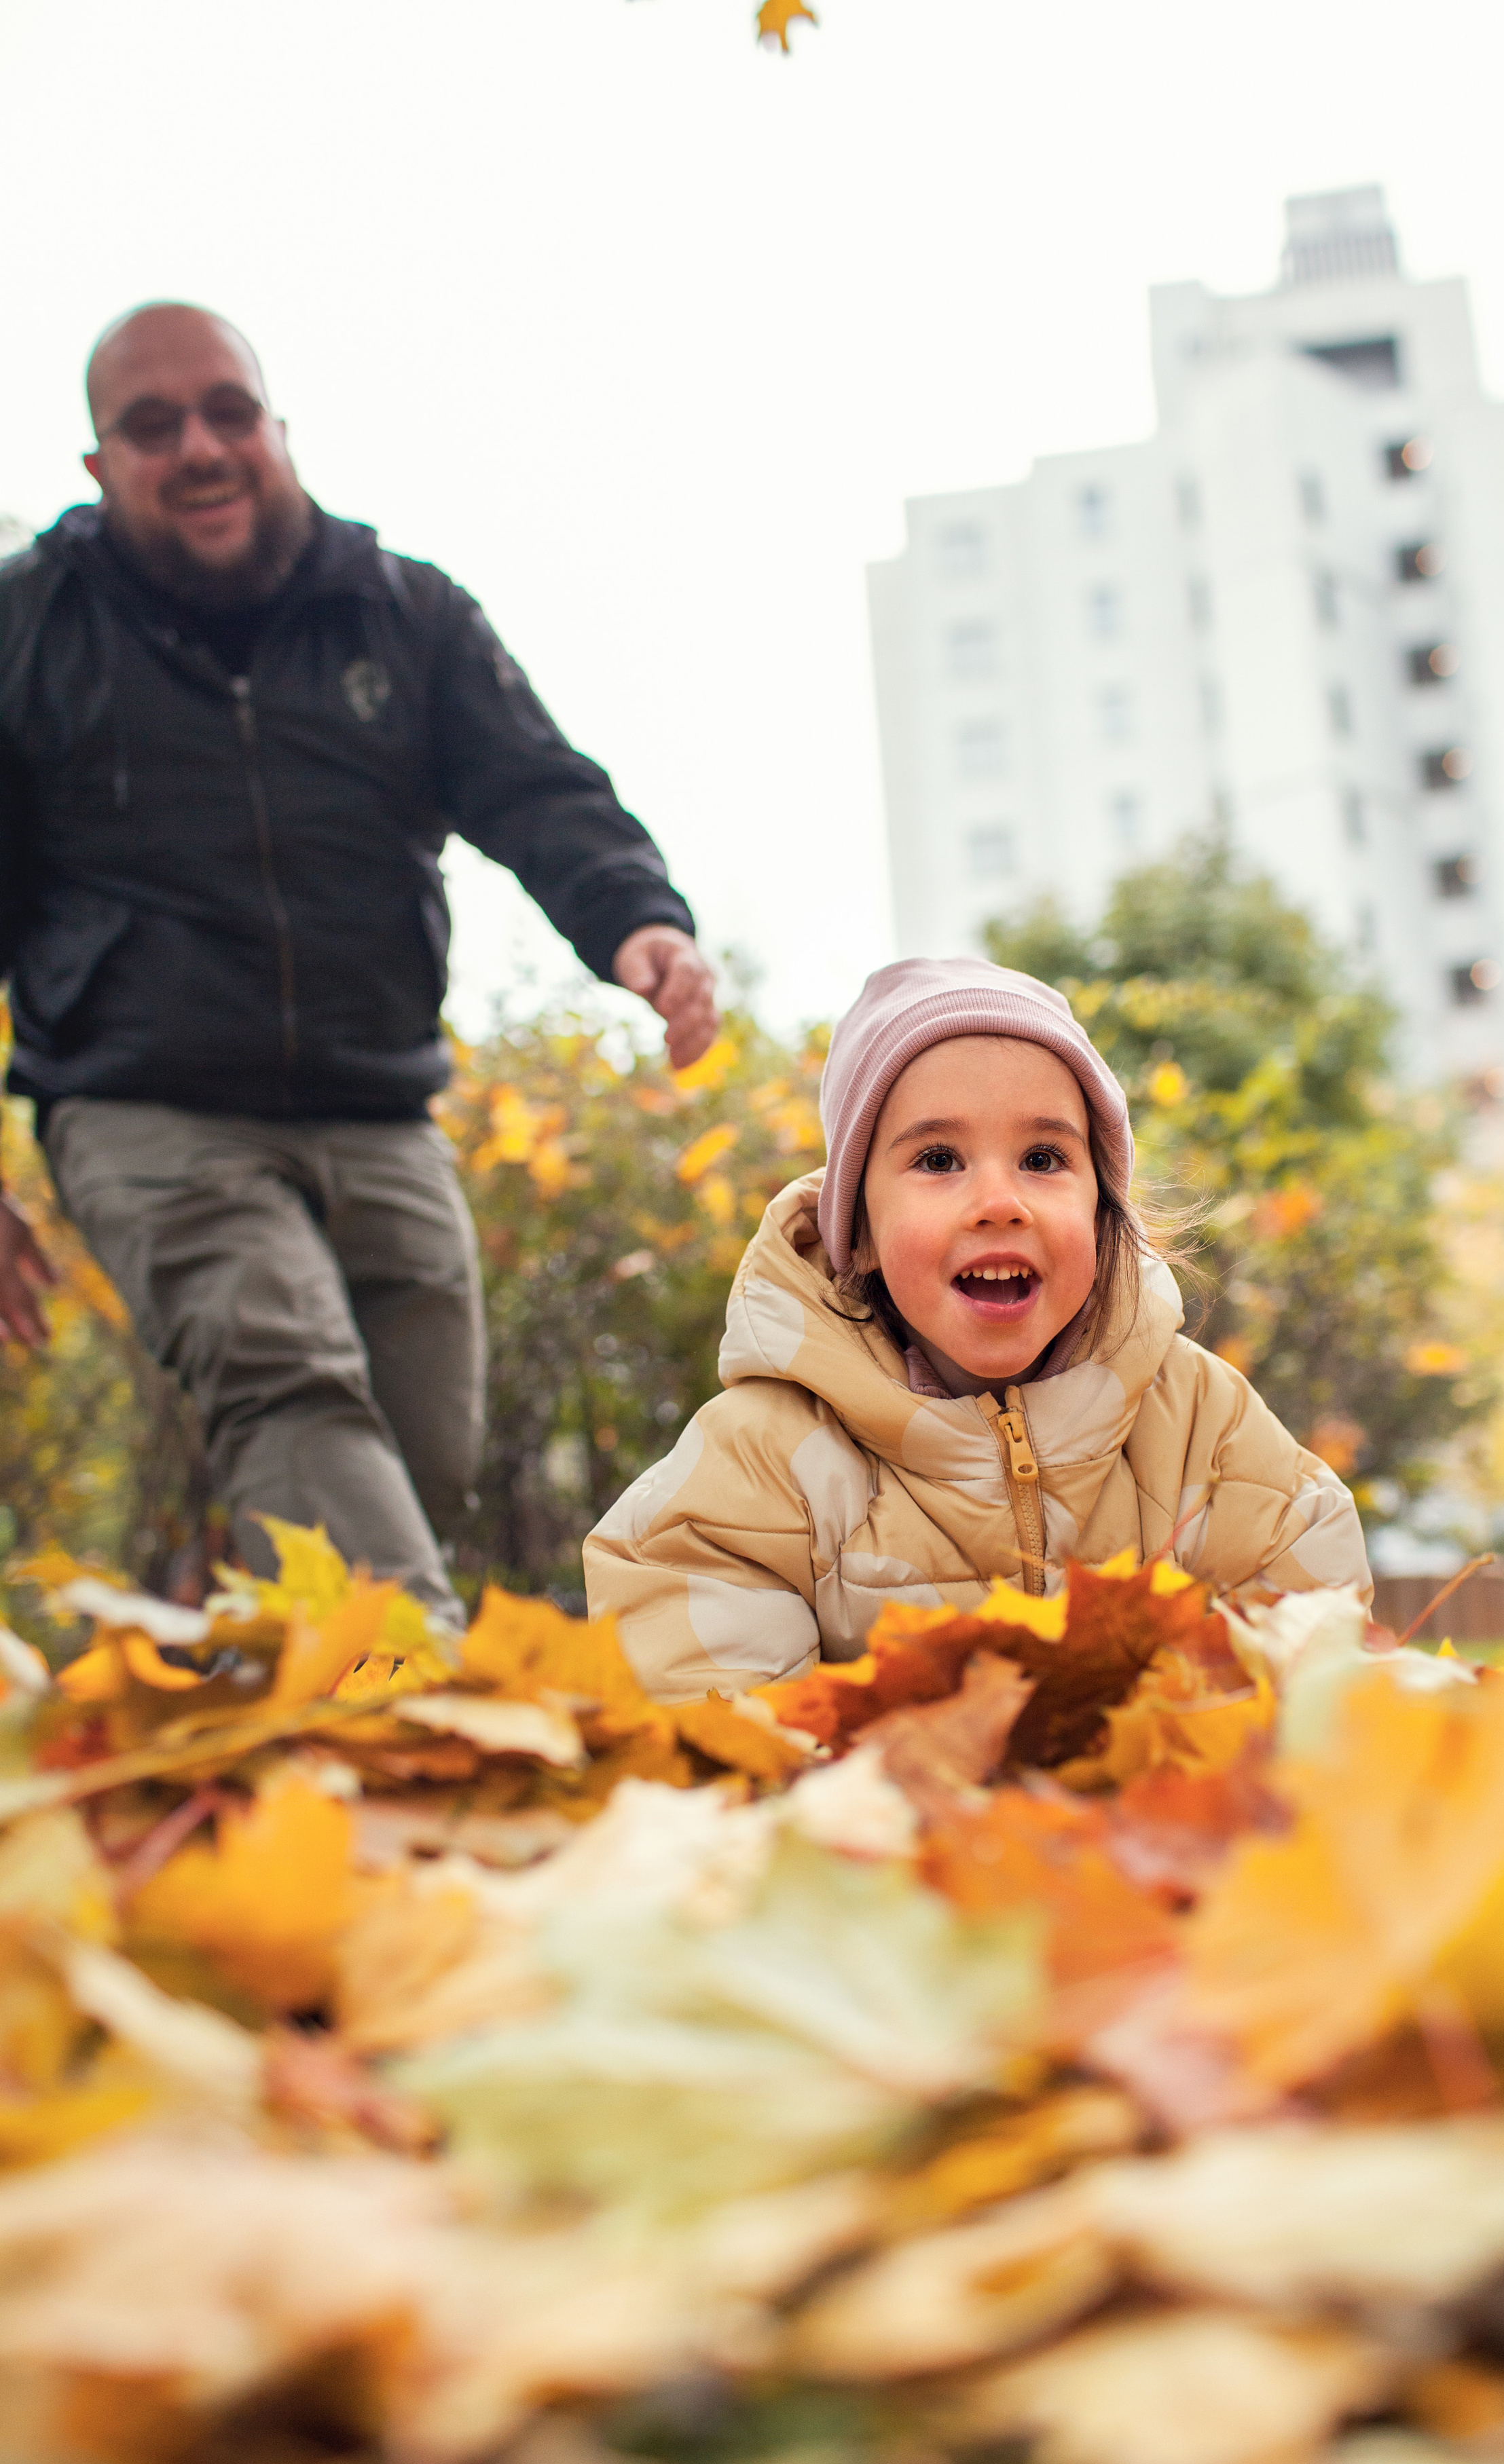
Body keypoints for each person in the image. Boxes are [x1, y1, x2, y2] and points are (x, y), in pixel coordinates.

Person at [0, 303, 716, 1628]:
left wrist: (637, 925)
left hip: (375, 1100)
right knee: (285, 1378)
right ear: (98, 467)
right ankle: (422, 1718)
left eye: (226, 411)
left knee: (412, 1455)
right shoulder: (29, 630)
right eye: (152, 427)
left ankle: (269, 1701)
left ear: (277, 430)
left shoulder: (403, 613)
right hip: (144, 1099)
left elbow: (541, 791)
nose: (199, 447)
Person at [584, 956, 1370, 1696]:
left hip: (1153, 1830)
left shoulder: (1201, 1426)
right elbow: (712, 1714)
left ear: (1101, 1211)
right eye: (937, 1160)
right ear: (855, 1230)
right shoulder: (763, 1461)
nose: (1000, 1200)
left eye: (1041, 1159)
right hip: (881, 1829)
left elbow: (1309, 1642)